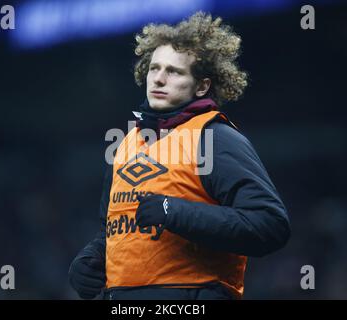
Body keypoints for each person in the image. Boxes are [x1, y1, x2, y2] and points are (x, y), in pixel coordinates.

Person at [68, 12, 291, 300]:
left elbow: (270, 225)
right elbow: (115, 229)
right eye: (154, 68)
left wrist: (173, 212)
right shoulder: (125, 144)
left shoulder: (215, 137)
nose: (159, 79)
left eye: (174, 71)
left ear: (202, 86)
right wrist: (93, 256)